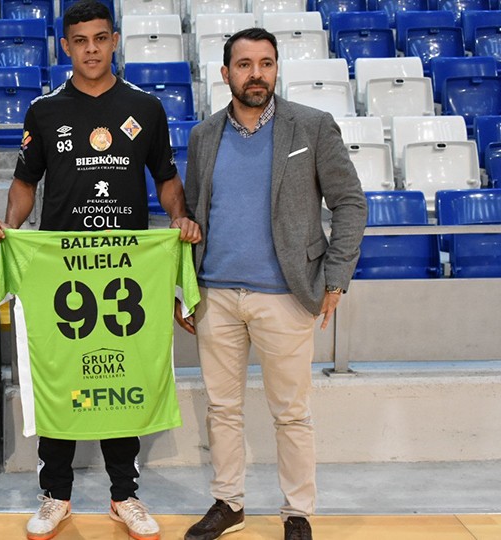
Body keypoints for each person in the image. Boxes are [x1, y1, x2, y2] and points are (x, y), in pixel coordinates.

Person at [0, 2, 200, 539]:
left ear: (115, 41)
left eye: (100, 39)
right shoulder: (44, 111)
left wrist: (179, 217)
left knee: (120, 373)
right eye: (79, 40)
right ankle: (56, 494)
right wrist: (8, 229)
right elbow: (24, 184)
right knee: (61, 374)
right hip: (62, 268)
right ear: (65, 46)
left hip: (125, 264)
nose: (90, 49)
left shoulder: (146, 108)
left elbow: (167, 178)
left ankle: (124, 495)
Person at [180, 28, 367, 540]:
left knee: (292, 412)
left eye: (265, 63)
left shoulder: (311, 126)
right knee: (222, 409)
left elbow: (350, 203)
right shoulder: (203, 136)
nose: (255, 73)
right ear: (226, 74)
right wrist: (187, 288)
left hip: (286, 295)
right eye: (244, 64)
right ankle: (229, 503)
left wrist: (337, 276)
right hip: (216, 295)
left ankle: (297, 512)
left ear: (276, 69)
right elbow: (195, 216)